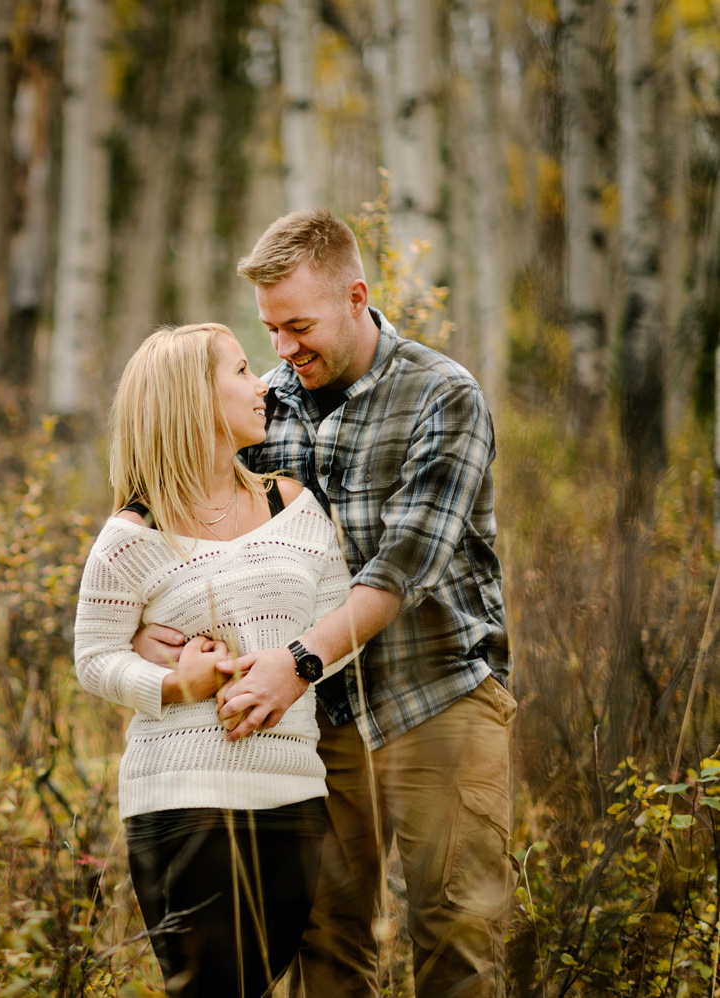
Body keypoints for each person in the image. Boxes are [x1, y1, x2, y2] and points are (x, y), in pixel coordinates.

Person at [133, 208, 515, 997]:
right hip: (319, 727)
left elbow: (400, 568)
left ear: (355, 297)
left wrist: (297, 661)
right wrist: (149, 631)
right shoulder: (261, 407)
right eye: (269, 329)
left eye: (299, 325)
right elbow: (181, 519)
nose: (282, 349)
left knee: (458, 942)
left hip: (437, 701)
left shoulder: (443, 397)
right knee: (327, 949)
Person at [74, 322, 363, 997]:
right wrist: (177, 683)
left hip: (291, 794)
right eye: (239, 371)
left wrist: (291, 664)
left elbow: (344, 626)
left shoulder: (292, 506)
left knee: (259, 980)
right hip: (181, 799)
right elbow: (93, 659)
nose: (261, 384)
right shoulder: (131, 536)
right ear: (191, 399)